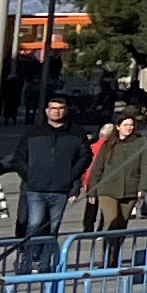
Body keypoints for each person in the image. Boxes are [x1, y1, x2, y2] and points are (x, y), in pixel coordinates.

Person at [82, 105, 147, 235]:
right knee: (111, 222)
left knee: (121, 224)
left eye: (131, 125)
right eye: (125, 125)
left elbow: (146, 166)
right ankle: (107, 251)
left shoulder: (141, 143)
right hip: (108, 190)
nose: (129, 128)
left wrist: (143, 188)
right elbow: (98, 167)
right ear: (118, 127)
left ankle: (115, 252)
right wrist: (92, 190)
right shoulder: (108, 144)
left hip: (130, 191)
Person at [17, 99, 90, 241]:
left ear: (66, 110)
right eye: (53, 108)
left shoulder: (76, 133)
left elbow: (85, 157)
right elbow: (19, 158)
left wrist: (70, 176)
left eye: (60, 108)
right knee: (35, 225)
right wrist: (29, 175)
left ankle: (46, 261)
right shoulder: (33, 133)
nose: (56, 111)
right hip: (36, 189)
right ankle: (31, 258)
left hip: (60, 190)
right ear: (47, 111)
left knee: (53, 227)